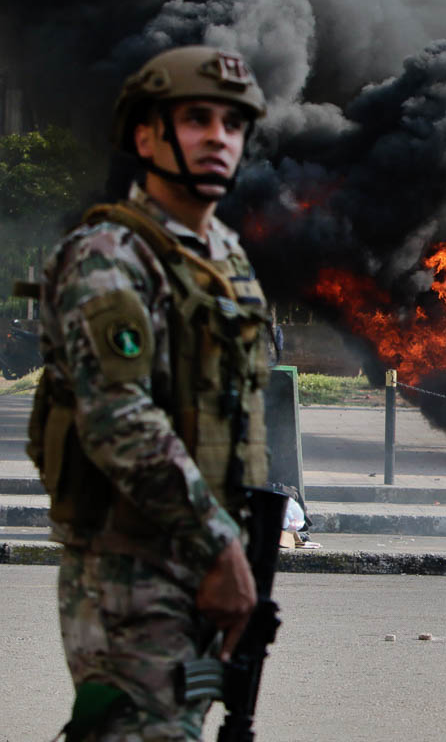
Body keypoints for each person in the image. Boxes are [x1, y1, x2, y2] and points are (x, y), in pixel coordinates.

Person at [28, 46, 271, 740]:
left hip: (204, 560)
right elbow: (119, 420)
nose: (219, 138)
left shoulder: (223, 256)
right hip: (131, 570)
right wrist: (221, 547)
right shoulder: (109, 255)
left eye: (233, 123)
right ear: (145, 137)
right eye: (195, 119)